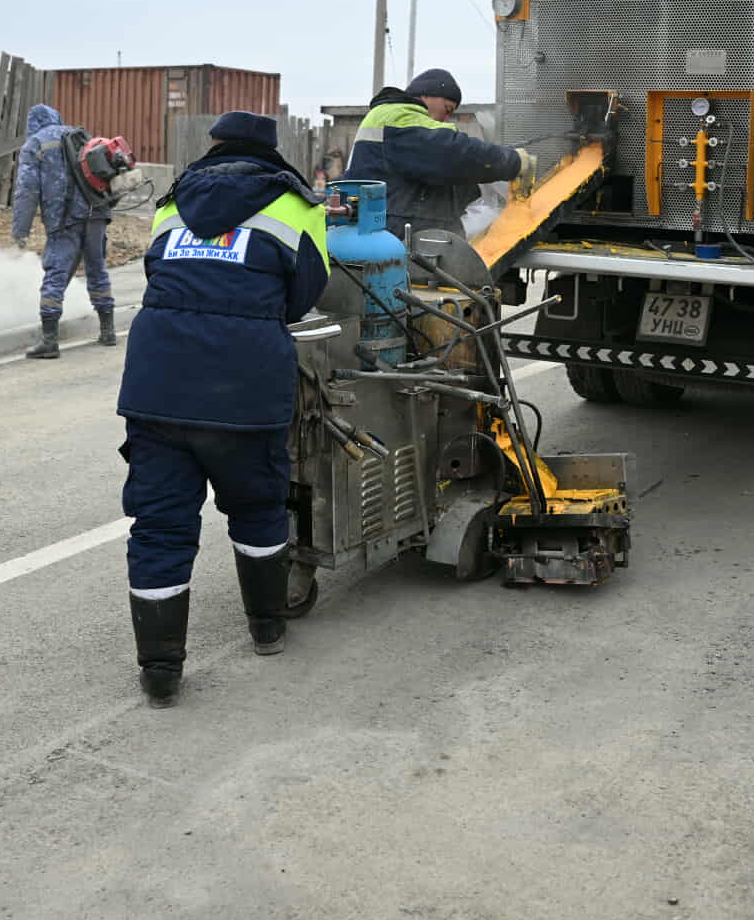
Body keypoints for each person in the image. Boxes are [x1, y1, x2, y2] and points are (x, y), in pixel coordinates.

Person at [116, 111, 330, 708]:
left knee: (159, 525)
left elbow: (157, 273)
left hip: (158, 387)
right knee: (259, 508)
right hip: (245, 387)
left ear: (213, 148)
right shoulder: (298, 207)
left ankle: (160, 674)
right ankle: (267, 629)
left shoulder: (170, 202)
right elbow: (306, 292)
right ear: (272, 152)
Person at [344, 68, 536, 239]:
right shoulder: (401, 115)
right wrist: (514, 161)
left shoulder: (389, 117)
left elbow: (435, 174)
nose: (446, 119)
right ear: (427, 96)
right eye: (447, 109)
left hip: (380, 221)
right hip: (392, 231)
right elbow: (454, 154)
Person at [12, 103, 116, 358]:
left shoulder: (35, 144)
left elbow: (27, 191)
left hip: (64, 218)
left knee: (56, 272)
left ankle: (49, 341)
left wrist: (20, 231)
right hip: (97, 213)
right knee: (97, 269)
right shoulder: (80, 135)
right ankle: (108, 331)